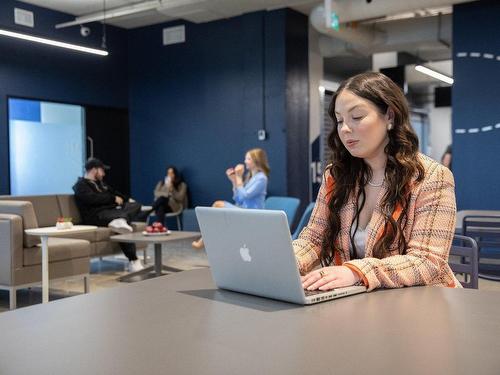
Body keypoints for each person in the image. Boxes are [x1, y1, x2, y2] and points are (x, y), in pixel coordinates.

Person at [294, 72, 460, 292]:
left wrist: (354, 271)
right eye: (340, 119)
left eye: (357, 117)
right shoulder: (336, 175)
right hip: (358, 301)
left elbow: (427, 261)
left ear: (390, 116)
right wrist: (284, 261)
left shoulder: (431, 177)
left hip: (419, 304)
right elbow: (314, 238)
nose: (344, 129)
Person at [72, 158, 146, 272]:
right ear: (94, 170)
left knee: (136, 205)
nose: (104, 174)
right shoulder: (80, 185)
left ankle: (119, 219)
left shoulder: (101, 184)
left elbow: (115, 193)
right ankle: (134, 260)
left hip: (111, 212)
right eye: (102, 170)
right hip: (96, 216)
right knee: (123, 227)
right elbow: (92, 199)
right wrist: (112, 199)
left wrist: (128, 200)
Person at [192, 148, 270, 249]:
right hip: (244, 210)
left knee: (218, 205)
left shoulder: (262, 178)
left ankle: (203, 241)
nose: (245, 161)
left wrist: (238, 177)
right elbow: (238, 199)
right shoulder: (250, 177)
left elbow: (246, 195)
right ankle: (205, 241)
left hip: (253, 213)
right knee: (217, 209)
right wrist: (234, 181)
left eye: (248, 159)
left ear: (256, 161)